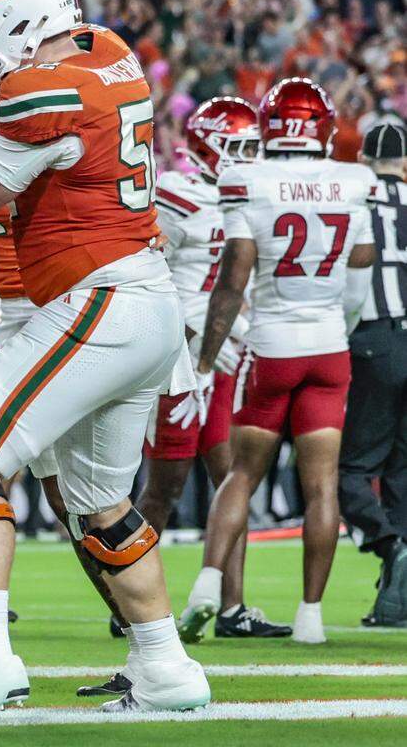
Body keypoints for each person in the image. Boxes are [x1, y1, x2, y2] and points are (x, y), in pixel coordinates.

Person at [0, 0, 210, 722]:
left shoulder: (46, 89)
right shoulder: (107, 51)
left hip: (99, 298)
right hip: (142, 302)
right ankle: (167, 667)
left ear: (23, 23)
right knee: (100, 503)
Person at [181, 78, 377, 645]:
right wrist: (336, 330)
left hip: (270, 345)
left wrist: (205, 358)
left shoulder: (251, 179)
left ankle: (207, 586)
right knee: (322, 487)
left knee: (242, 473)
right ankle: (311, 619)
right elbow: (358, 279)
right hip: (328, 347)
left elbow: (232, 279)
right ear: (322, 126)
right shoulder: (351, 180)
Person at [144, 99, 291, 644]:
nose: (249, 157)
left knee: (233, 479)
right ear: (208, 143)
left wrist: (236, 328)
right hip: (178, 357)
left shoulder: (248, 197)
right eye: (241, 146)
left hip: (225, 357)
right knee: (165, 486)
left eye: (255, 147)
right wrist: (193, 333)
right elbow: (149, 275)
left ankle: (233, 607)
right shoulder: (176, 194)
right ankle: (129, 599)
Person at [337, 122, 407, 627]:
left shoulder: (353, 197)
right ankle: (395, 600)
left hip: (372, 338)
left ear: (363, 158)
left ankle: (389, 545)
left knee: (352, 468)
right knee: (403, 470)